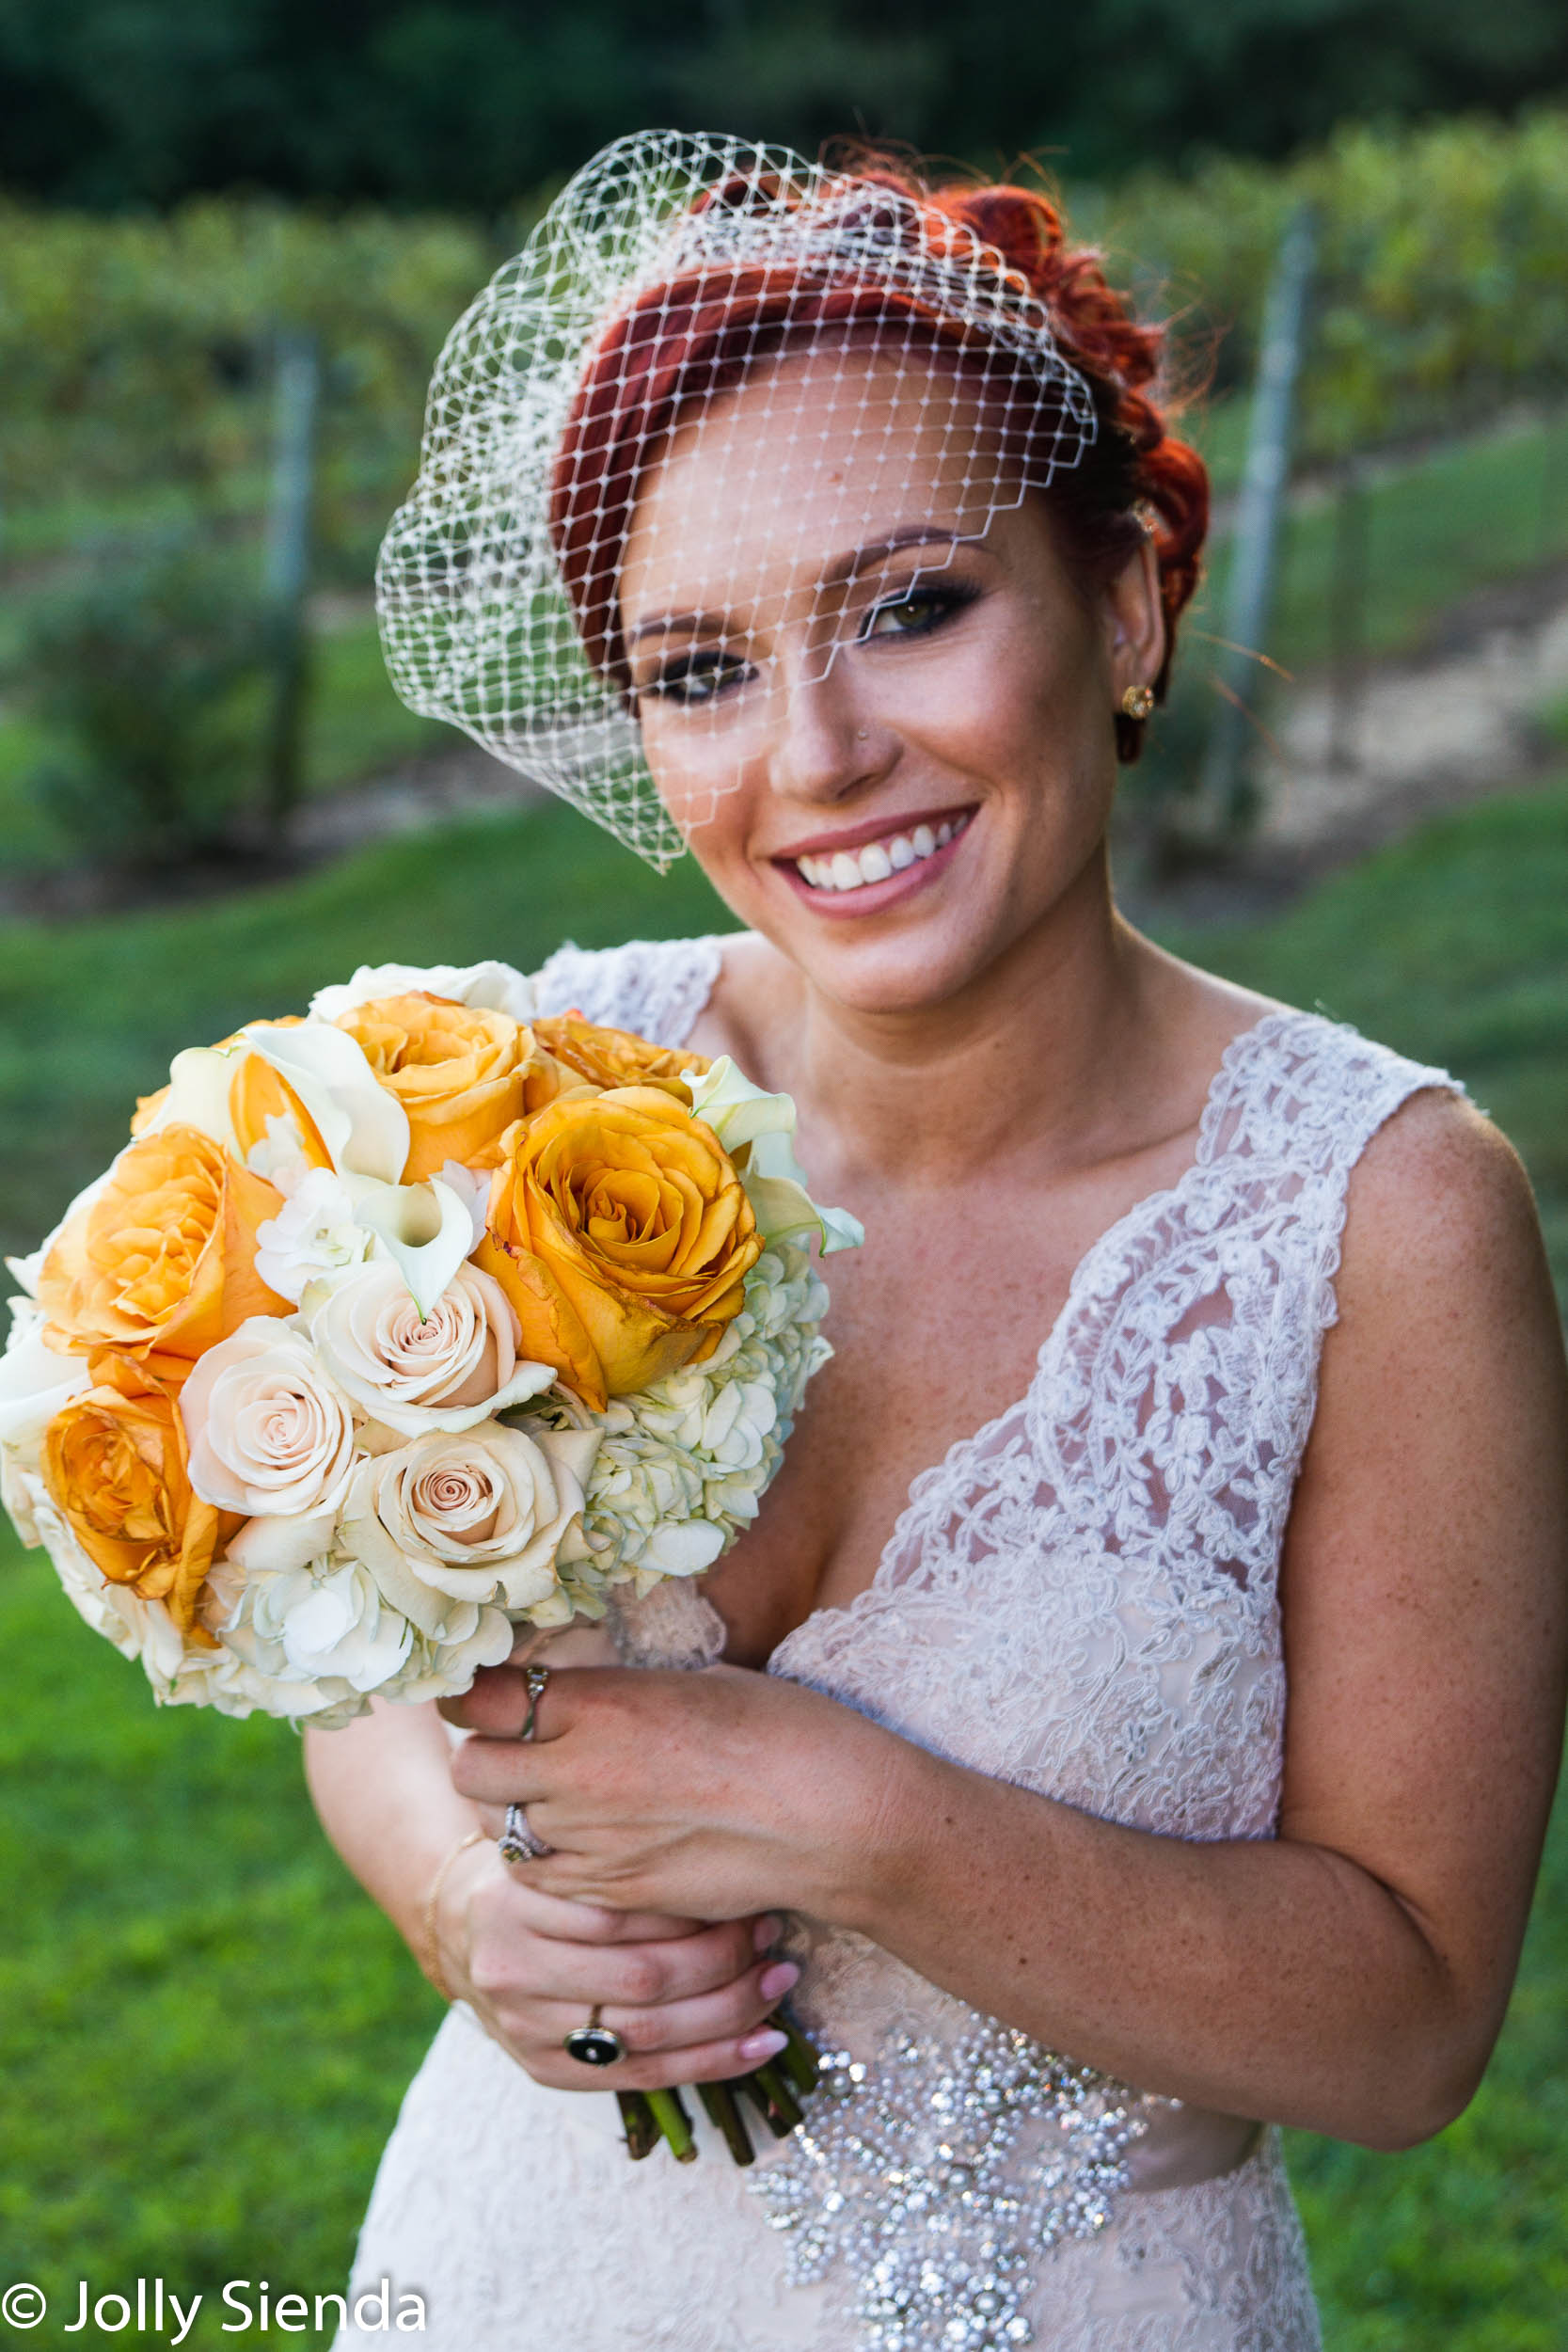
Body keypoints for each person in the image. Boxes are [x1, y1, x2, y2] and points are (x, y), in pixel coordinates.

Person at [309, 133, 1568, 2349]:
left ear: (1131, 603)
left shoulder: (1382, 1212)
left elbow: (1411, 2025)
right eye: (699, 666)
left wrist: (856, 1813)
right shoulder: (514, 1089)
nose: (816, 756)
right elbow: (358, 1650)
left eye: (910, 606)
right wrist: (453, 1895)